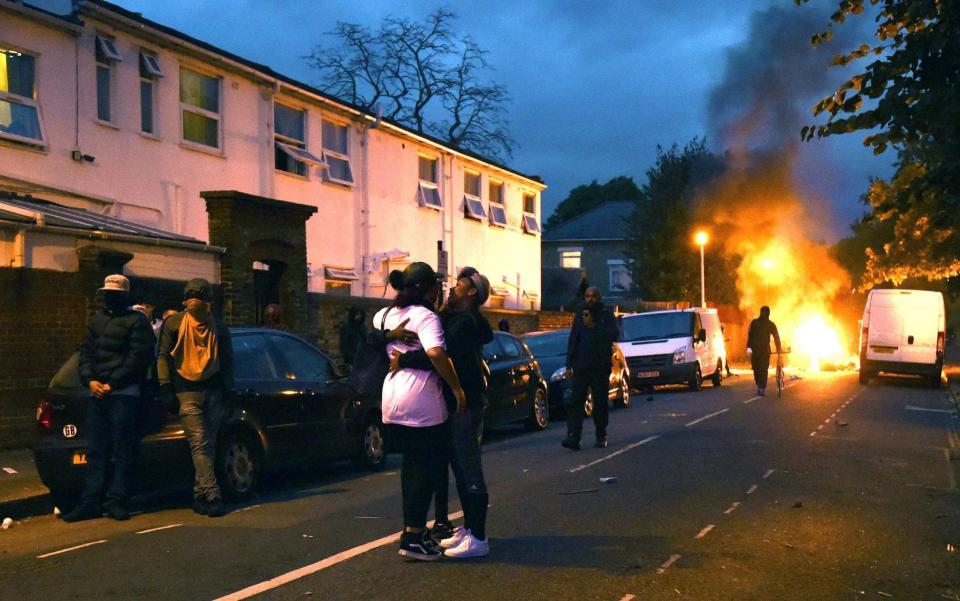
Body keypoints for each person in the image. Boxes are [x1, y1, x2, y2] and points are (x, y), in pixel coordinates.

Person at [390, 267, 494, 558]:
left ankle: (478, 536)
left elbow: (439, 355)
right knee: (460, 466)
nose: (452, 287)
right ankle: (470, 528)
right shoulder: (456, 318)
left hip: (466, 403)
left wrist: (404, 358)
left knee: (468, 465)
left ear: (472, 292)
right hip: (454, 402)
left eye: (460, 284)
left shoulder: (466, 322)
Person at [375, 262, 466, 561]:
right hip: (422, 403)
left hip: (392, 399)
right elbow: (436, 353)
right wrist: (456, 388)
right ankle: (413, 536)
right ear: (429, 289)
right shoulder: (426, 317)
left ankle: (412, 532)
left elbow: (370, 342)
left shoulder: (385, 315)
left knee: (410, 467)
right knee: (425, 469)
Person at [63, 275, 155, 522]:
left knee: (121, 450)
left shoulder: (137, 322)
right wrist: (91, 381)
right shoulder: (98, 321)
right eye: (107, 293)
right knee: (97, 450)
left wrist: (108, 383)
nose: (110, 297)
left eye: (114, 293)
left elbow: (138, 359)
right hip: (102, 392)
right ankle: (92, 501)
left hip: (123, 395)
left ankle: (115, 500)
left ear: (124, 295)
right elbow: (85, 353)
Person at [157, 278, 234, 517]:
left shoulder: (175, 323)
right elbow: (228, 364)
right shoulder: (217, 327)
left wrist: (166, 387)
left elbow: (163, 358)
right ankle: (213, 495)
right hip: (204, 392)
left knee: (205, 446)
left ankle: (199, 495)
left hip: (191, 390)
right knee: (202, 444)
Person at [562, 287, 619, 450]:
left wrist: (594, 326)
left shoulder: (606, 314)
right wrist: (569, 364)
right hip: (581, 366)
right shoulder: (580, 316)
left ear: (598, 297)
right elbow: (573, 340)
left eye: (593, 296)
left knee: (600, 402)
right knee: (576, 402)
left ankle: (601, 435)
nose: (590, 299)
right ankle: (574, 437)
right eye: (587, 296)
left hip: (600, 366)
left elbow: (613, 335)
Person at [746, 306, 782, 396]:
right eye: (763, 312)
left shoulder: (770, 324)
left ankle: (761, 387)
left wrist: (779, 348)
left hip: (764, 351)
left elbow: (776, 337)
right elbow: (750, 336)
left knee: (763, 369)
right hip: (756, 351)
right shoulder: (754, 323)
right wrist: (748, 347)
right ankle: (759, 385)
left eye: (765, 313)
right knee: (756, 369)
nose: (764, 314)